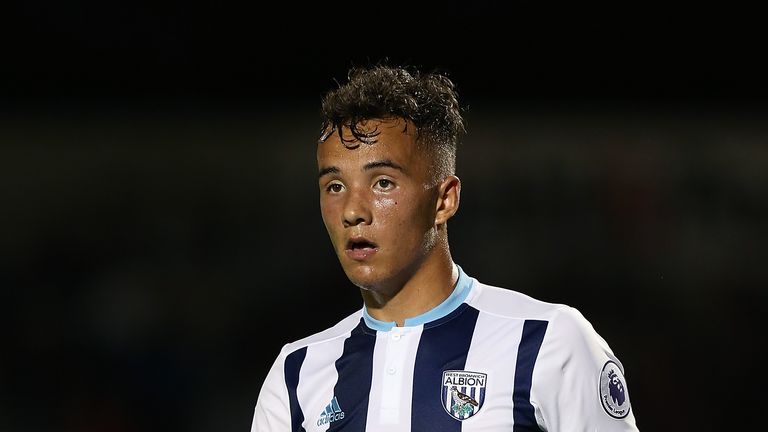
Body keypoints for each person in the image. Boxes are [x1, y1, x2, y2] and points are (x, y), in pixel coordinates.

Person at [251, 63, 639, 431]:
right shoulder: (296, 374)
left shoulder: (546, 342)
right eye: (335, 186)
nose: (352, 211)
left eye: (383, 182)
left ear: (444, 200)